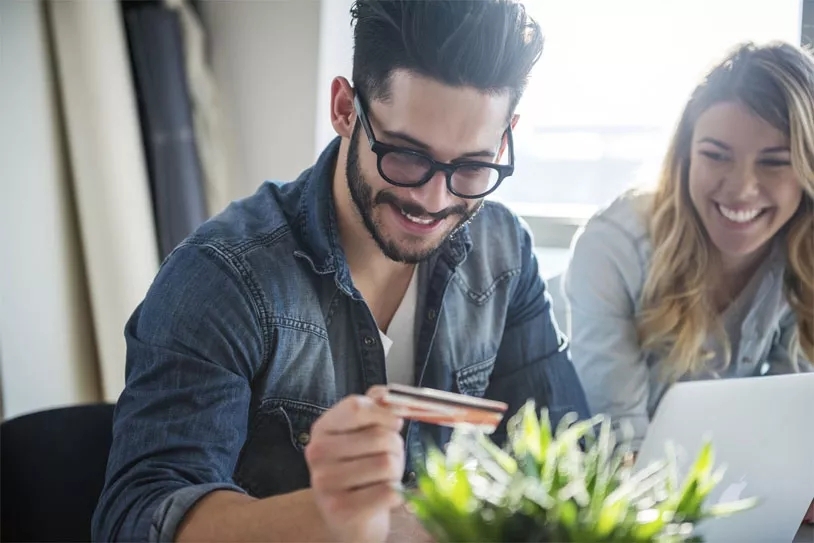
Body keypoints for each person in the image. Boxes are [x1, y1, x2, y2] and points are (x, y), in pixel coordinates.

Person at [92, 1, 591, 541]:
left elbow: (572, 459)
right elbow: (136, 517)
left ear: (505, 138)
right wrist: (328, 516)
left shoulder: (504, 254)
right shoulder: (222, 278)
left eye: (471, 167)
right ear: (345, 108)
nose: (433, 198)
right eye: (406, 155)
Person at [563, 41, 814, 524]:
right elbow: (618, 449)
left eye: (774, 161)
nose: (741, 188)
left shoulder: (800, 251)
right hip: (621, 501)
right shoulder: (614, 246)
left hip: (718, 499)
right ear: (684, 157)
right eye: (716, 155)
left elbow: (796, 422)